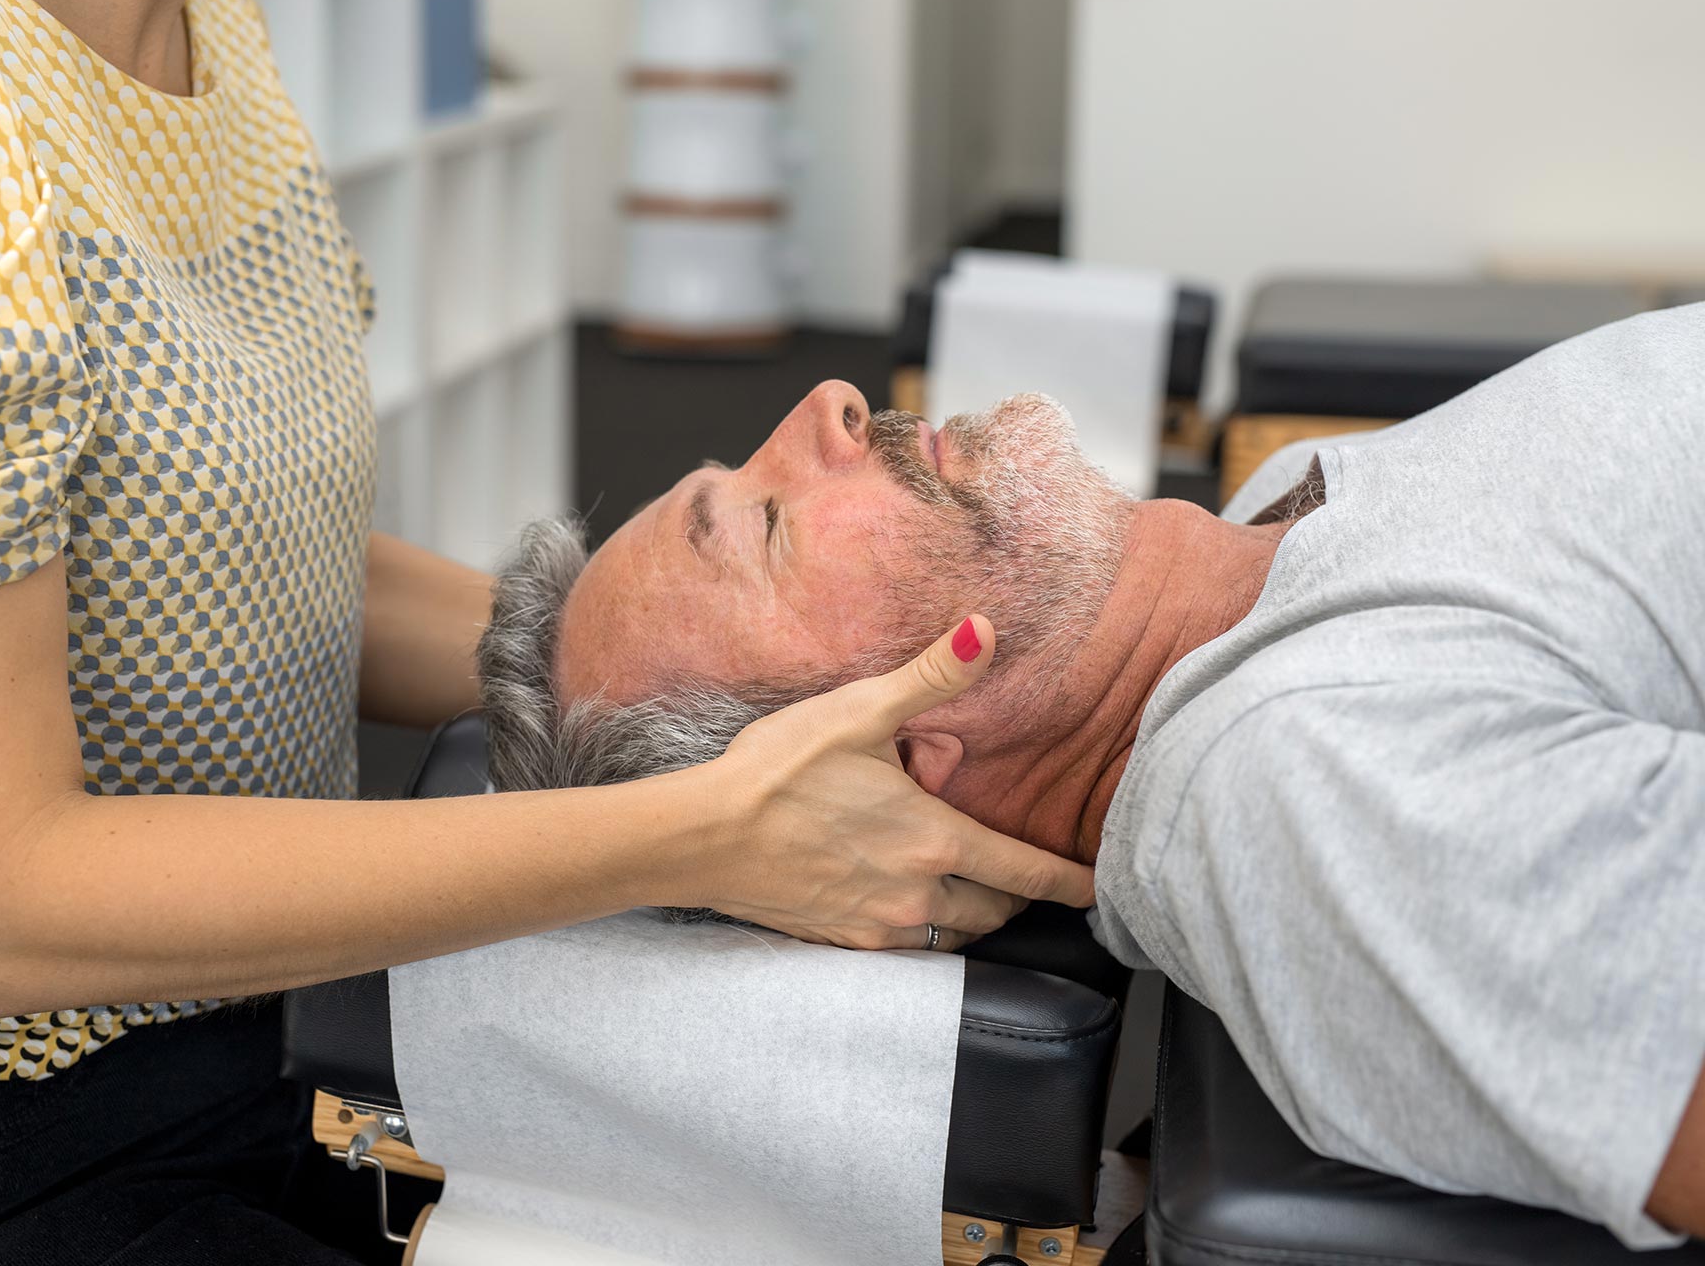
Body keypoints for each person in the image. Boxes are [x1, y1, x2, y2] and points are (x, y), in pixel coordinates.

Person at [0, 0, 1093, 1260]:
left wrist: (689, 694)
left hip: (266, 1027)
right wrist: (703, 831)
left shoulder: (212, 25)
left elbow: (223, 569)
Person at [477, 307, 1705, 1246]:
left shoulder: (1253, 533)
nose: (827, 402)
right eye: (767, 523)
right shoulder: (1306, 793)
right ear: (889, 760)